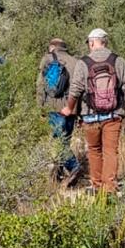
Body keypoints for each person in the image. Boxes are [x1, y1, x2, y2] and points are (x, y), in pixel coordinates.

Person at [60, 29, 125, 194]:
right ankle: (110, 187)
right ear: (105, 42)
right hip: (114, 114)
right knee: (110, 151)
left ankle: (97, 184)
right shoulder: (118, 60)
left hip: (90, 115)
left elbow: (76, 89)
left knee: (94, 150)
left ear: (92, 42)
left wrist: (69, 108)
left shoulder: (83, 62)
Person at [37, 38, 79, 184]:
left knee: (59, 142)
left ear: (52, 47)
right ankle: (58, 174)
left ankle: (74, 166)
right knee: (65, 140)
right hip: (72, 108)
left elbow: (41, 86)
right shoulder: (75, 61)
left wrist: (40, 107)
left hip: (54, 108)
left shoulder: (47, 60)